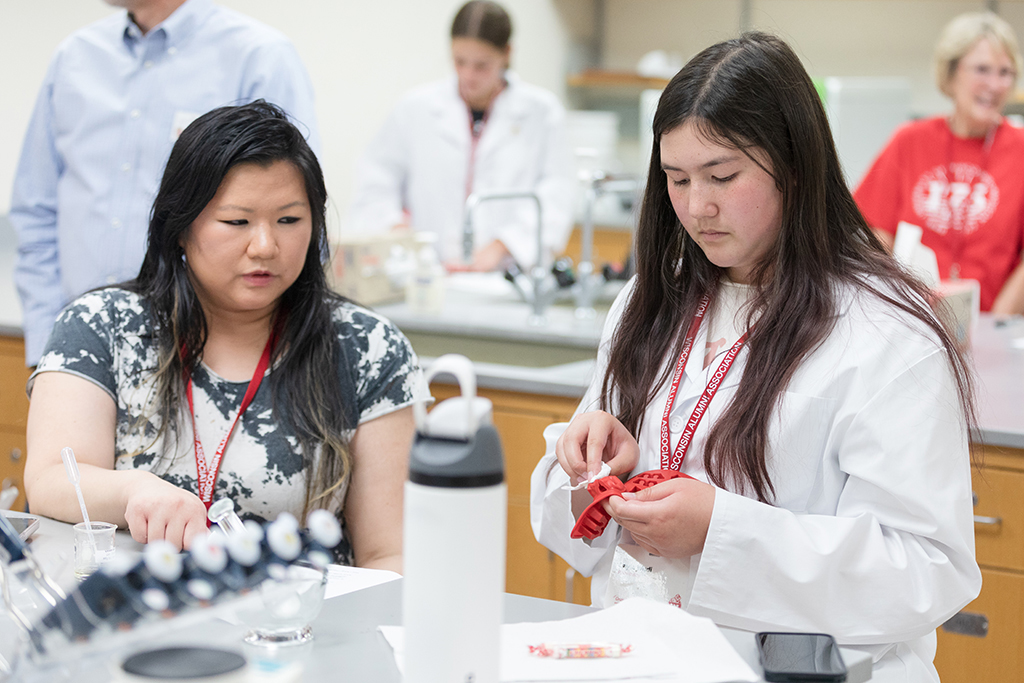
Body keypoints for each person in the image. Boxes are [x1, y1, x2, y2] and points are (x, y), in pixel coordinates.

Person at [530, 32, 981, 683]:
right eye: (676, 179)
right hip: (643, 655)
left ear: (793, 167)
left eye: (721, 176)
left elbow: (924, 567)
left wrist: (720, 532)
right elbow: (570, 519)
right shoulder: (650, 300)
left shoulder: (884, 330)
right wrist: (587, 471)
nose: (695, 206)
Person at [23, 102, 426, 573]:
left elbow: (389, 554)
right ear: (180, 227)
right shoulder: (101, 326)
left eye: (289, 221)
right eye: (237, 222)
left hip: (297, 624)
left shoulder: (368, 348)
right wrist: (136, 489)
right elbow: (51, 480)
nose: (265, 246)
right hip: (136, 615)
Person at [11, 0, 320, 367]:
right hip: (78, 342)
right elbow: (36, 210)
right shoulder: (76, 56)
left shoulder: (257, 55)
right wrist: (49, 344)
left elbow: (291, 204)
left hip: (198, 350)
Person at [347, 0, 575, 272]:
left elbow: (557, 195)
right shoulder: (415, 109)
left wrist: (503, 245)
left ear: (507, 53)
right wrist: (395, 228)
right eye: (459, 61)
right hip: (427, 275)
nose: (468, 75)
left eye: (482, 65)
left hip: (505, 276)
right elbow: (375, 179)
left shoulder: (541, 113)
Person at [854, 11, 1024, 314]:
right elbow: (876, 237)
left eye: (1005, 73)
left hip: (991, 323)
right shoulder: (910, 140)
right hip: (911, 317)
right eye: (982, 69)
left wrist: (999, 319)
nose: (995, 84)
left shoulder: (1020, 148)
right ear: (952, 72)